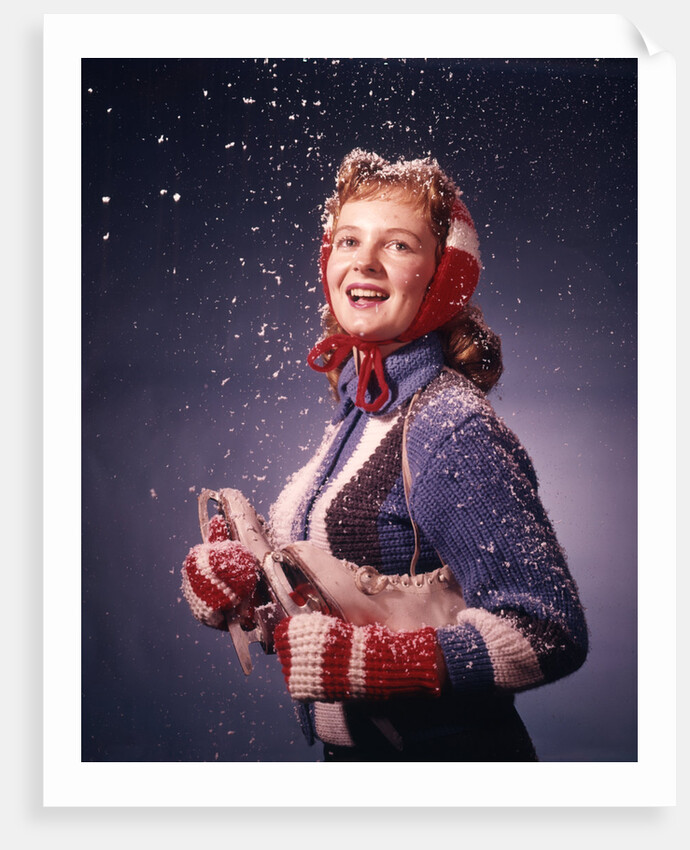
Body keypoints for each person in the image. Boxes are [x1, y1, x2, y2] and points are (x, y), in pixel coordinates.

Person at [181, 149, 589, 762]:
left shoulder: (450, 426)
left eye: (398, 245)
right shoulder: (362, 411)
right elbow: (349, 607)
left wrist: (370, 663)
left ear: (443, 273)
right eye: (348, 240)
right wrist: (254, 594)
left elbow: (549, 629)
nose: (363, 262)